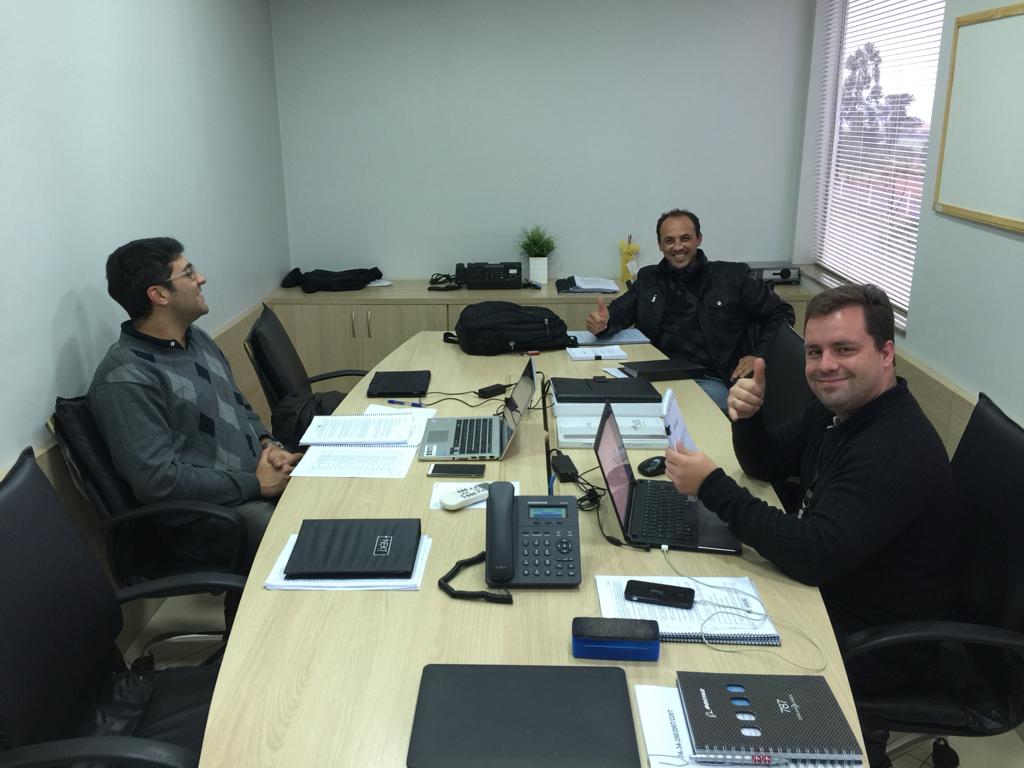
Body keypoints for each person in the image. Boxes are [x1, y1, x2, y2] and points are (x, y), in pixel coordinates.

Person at [664, 284, 953, 693]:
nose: (825, 365)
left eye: (844, 349)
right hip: (822, 591)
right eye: (814, 352)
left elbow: (812, 554)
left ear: (886, 353)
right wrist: (749, 417)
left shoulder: (893, 448)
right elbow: (764, 464)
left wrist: (711, 485)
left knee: (694, 655)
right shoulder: (840, 410)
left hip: (866, 642)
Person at [88, 237, 302, 569]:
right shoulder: (126, 377)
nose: (201, 278)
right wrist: (256, 484)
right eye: (188, 273)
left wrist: (268, 445)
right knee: (299, 538)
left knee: (332, 492)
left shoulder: (196, 339)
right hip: (200, 521)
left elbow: (239, 405)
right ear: (159, 295)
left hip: (248, 483)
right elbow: (159, 482)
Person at [585, 208, 794, 411]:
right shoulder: (649, 278)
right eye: (669, 241)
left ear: (698, 239)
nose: (678, 247)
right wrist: (604, 321)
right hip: (653, 374)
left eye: (685, 239)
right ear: (660, 245)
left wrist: (758, 355)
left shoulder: (732, 277)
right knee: (606, 404)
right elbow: (622, 310)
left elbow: (781, 312)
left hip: (709, 379)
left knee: (675, 416)